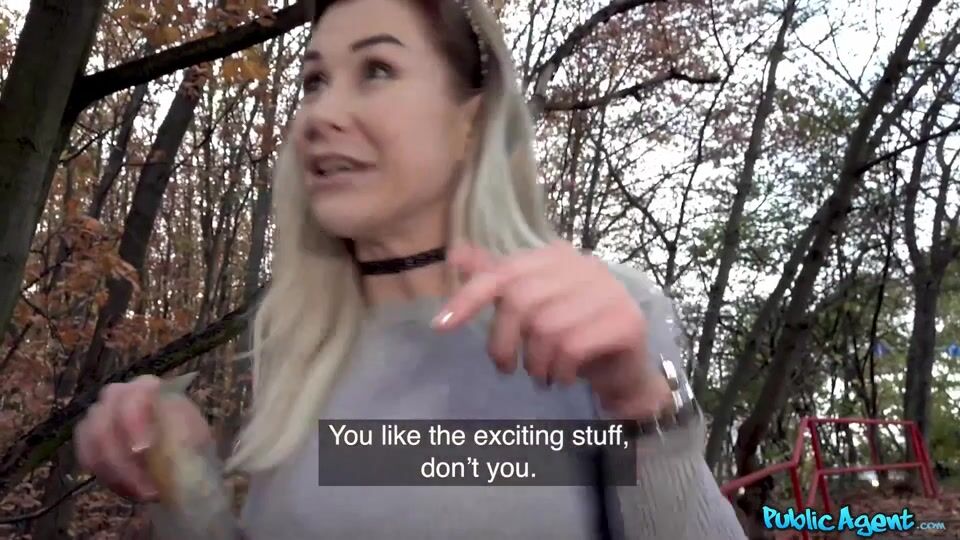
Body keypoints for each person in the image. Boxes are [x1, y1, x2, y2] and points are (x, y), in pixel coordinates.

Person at [74, 0, 747, 538]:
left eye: (377, 70)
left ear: (471, 124)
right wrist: (181, 479)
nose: (322, 114)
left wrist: (643, 405)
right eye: (314, 82)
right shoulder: (296, 343)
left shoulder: (602, 321)